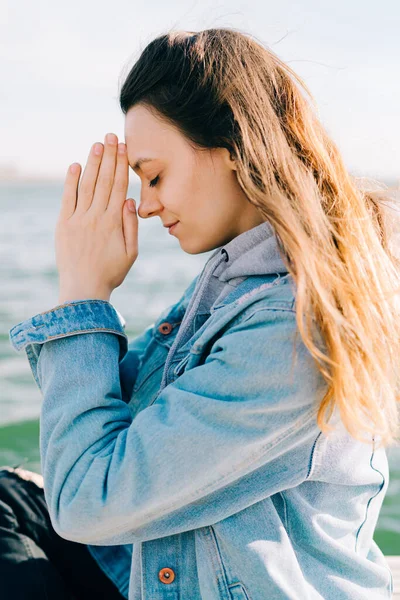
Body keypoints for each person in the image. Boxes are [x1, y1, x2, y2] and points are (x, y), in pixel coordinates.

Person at [5, 27, 400, 599]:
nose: (145, 205)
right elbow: (113, 421)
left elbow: (86, 498)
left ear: (234, 144)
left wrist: (83, 295)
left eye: (156, 175)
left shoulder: (295, 322)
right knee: (10, 496)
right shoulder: (233, 281)